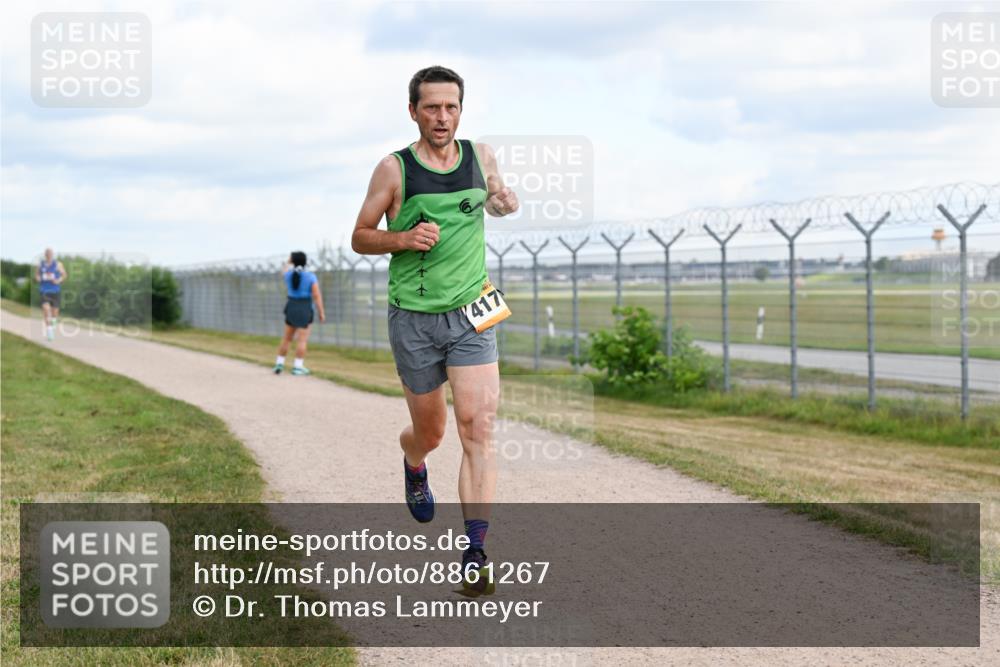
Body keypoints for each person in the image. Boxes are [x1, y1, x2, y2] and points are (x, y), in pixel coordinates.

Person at [351, 65, 519, 593]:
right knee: (433, 431)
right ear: (413, 112)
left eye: (451, 107)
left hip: (474, 310)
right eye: (431, 108)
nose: (442, 117)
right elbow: (359, 236)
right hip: (415, 319)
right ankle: (413, 460)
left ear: (460, 110)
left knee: (478, 427)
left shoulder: (481, 155)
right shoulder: (393, 170)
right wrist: (401, 239)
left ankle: (476, 551)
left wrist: (505, 202)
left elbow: (494, 199)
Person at [274, 251, 325, 376]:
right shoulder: (310, 276)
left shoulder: (289, 275)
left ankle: (279, 363)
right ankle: (298, 367)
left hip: (291, 306)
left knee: (286, 338)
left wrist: (289, 262)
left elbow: (283, 271)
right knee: (302, 340)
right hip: (305, 308)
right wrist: (321, 312)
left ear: (292, 261)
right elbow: (317, 296)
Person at [35, 248, 66, 342]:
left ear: (52, 254)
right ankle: (49, 331)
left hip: (55, 291)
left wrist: (58, 280)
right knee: (46, 309)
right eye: (47, 253)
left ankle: (53, 323)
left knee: (54, 313)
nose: (49, 255)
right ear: (45, 255)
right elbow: (36, 275)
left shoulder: (58, 264)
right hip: (44, 290)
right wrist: (39, 279)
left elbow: (64, 275)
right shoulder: (41, 265)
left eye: (50, 253)